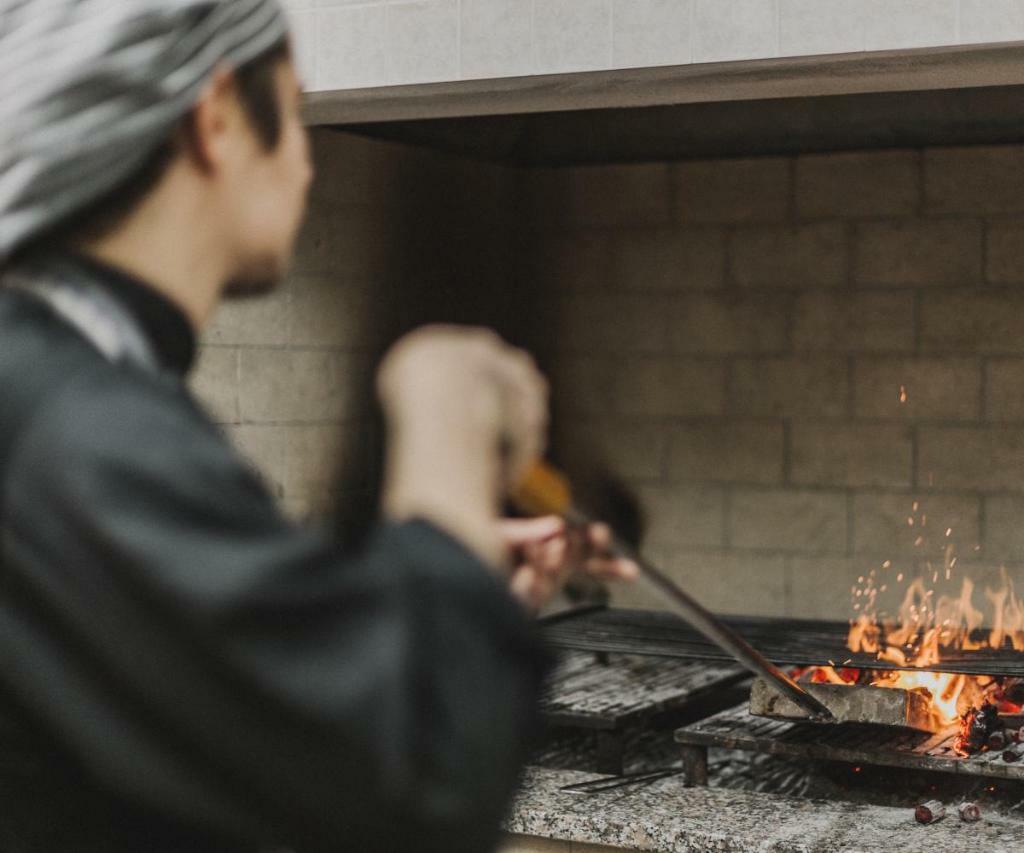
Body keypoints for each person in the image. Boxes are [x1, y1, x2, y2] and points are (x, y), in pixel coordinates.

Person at [0, 2, 635, 851]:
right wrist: (446, 407)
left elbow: (232, 751)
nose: (307, 166)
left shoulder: (57, 390)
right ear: (216, 116)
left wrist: (450, 582)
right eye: (295, 116)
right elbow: (413, 796)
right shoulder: (66, 424)